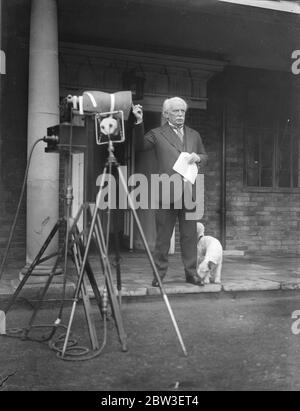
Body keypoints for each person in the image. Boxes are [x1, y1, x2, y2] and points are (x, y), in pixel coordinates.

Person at [132, 97, 208, 286]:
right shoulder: (157, 134)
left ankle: (191, 274)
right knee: (163, 237)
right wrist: (138, 121)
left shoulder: (194, 135)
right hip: (167, 191)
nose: (180, 115)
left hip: (190, 192)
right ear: (166, 114)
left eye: (183, 111)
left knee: (190, 237)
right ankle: (159, 275)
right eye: (176, 111)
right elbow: (139, 146)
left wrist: (198, 157)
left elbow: (205, 156)